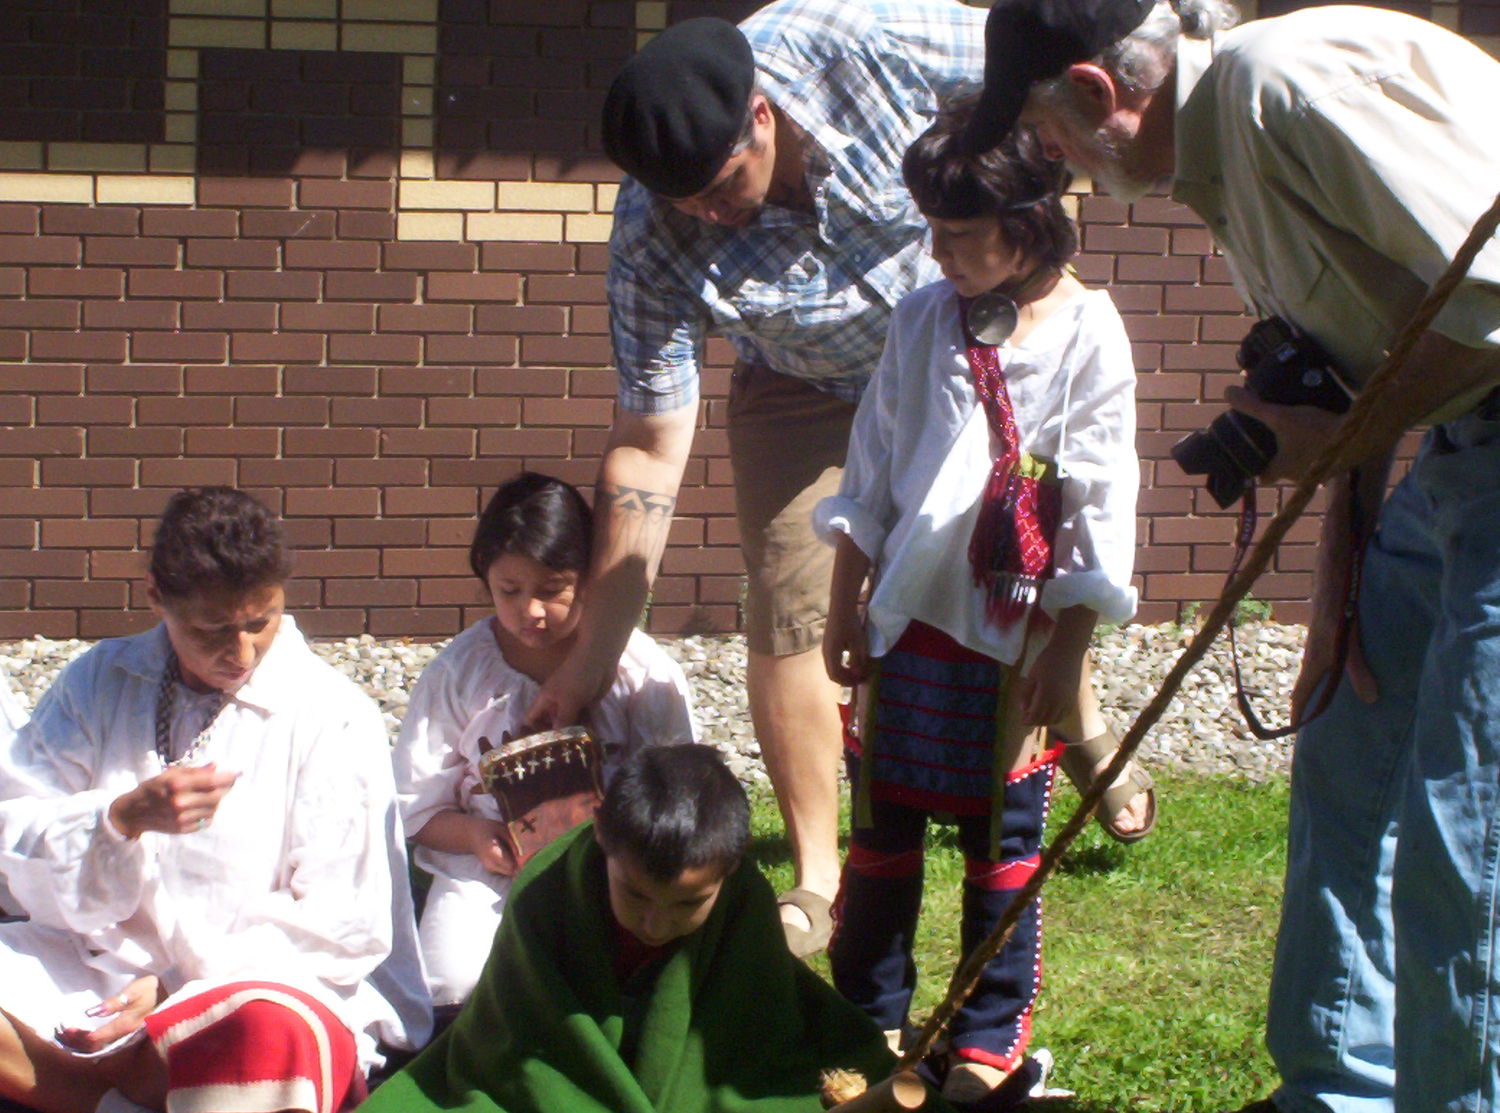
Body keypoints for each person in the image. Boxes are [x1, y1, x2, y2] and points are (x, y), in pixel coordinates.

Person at [529, 0, 1154, 957]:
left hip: (966, 344)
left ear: (762, 117)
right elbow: (650, 443)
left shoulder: (865, 44)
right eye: (679, 197)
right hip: (804, 379)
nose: (703, 210)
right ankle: (822, 873)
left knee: (1011, 556)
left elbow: (1044, 69)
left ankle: (1074, 716)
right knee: (787, 598)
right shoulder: (650, 235)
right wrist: (589, 661)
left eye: (718, 180)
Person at [964, 0, 1500, 1107]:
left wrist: (1348, 433)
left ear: (1098, 92)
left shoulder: (1281, 88)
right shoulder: (1219, 165)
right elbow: (1356, 376)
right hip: (1458, 447)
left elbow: (1490, 301)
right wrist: (1336, 597)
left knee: (1464, 820)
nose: (1047, 161)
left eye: (1046, 132)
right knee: (1349, 743)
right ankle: (1334, 1087)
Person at [816, 108, 1137, 1104]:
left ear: (1031, 222)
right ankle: (864, 1020)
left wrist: (1070, 646)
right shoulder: (923, 318)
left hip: (1016, 629)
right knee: (882, 828)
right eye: (934, 230)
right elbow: (872, 465)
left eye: (962, 233)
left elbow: (1098, 497)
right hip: (908, 618)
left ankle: (985, 1036)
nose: (940, 251)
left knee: (1003, 836)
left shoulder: (1091, 330)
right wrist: (843, 605)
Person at [0, 487, 430, 1113]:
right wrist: (116, 820)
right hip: (96, 977)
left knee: (263, 1031)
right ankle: (124, 1092)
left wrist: (175, 982)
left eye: (262, 621)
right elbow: (15, 836)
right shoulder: (98, 680)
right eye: (211, 629)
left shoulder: (333, 714)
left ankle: (101, 1093)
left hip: (254, 982)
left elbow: (343, 922)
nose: (243, 650)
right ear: (156, 598)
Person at [359, 743, 907, 1113]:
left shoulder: (742, 905)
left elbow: (748, 1040)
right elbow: (525, 1048)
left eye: (688, 903)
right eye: (636, 895)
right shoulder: (546, 895)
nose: (656, 922)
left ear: (731, 868)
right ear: (601, 837)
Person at [394, 472, 697, 1009]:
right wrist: (475, 836)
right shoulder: (458, 672)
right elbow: (415, 805)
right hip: (488, 871)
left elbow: (680, 793)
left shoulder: (640, 669)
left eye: (553, 590)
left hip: (615, 869)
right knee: (454, 986)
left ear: (592, 579)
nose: (530, 611)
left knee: (616, 980)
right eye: (509, 591)